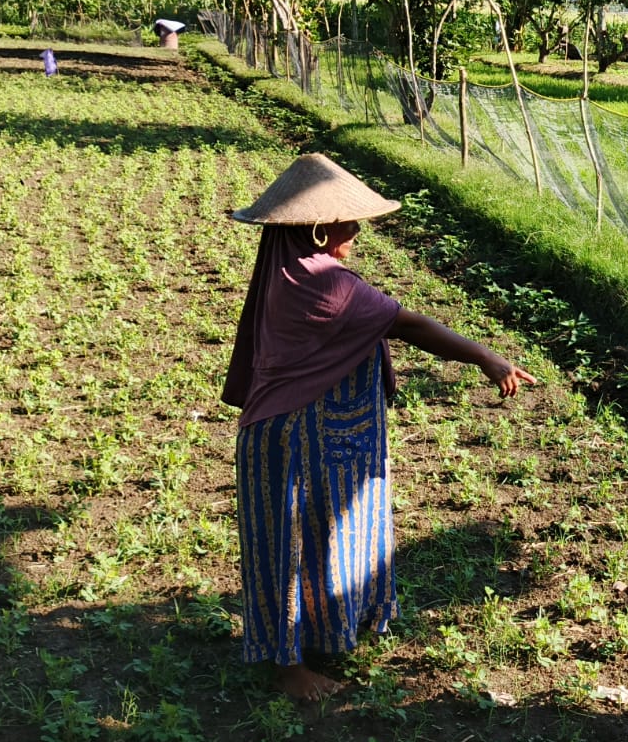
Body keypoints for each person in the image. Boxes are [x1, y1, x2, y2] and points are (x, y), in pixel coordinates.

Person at [222, 153, 537, 702]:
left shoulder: (286, 266)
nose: (356, 232)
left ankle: (320, 637)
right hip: (295, 439)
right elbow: (407, 324)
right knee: (292, 548)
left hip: (303, 432)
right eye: (348, 223)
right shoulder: (322, 284)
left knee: (320, 538)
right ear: (318, 229)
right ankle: (289, 668)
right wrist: (485, 356)